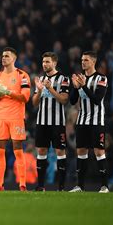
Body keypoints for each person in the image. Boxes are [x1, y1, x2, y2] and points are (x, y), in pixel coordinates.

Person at [0, 47, 31, 191]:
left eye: (6, 56)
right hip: (1, 117)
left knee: (17, 151)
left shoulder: (22, 75)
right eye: (2, 56)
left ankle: (23, 184)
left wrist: (8, 92)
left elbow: (25, 97)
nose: (3, 58)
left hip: (16, 117)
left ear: (14, 58)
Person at [69, 51, 109, 193]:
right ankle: (80, 186)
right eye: (82, 60)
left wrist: (84, 86)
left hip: (97, 121)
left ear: (93, 62)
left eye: (86, 60)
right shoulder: (80, 78)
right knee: (81, 152)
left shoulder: (101, 78)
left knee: (99, 151)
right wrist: (75, 88)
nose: (83, 62)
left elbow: (97, 100)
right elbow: (73, 101)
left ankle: (104, 186)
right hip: (82, 121)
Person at [32, 52, 70, 191]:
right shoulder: (40, 79)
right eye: (43, 62)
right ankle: (41, 186)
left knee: (60, 151)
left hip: (57, 122)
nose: (44, 64)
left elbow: (64, 100)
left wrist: (50, 89)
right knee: (41, 151)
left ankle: (61, 187)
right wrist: (40, 90)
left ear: (54, 63)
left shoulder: (63, 79)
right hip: (42, 122)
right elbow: (34, 103)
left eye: (47, 62)